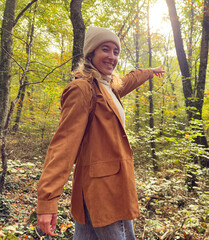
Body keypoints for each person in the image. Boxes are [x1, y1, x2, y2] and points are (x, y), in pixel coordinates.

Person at [37, 26, 165, 239]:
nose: (112, 57)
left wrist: (150, 72)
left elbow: (130, 79)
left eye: (116, 52)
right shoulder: (83, 89)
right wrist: (47, 200)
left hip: (95, 192)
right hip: (107, 193)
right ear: (91, 53)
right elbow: (64, 145)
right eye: (105, 49)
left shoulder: (108, 87)